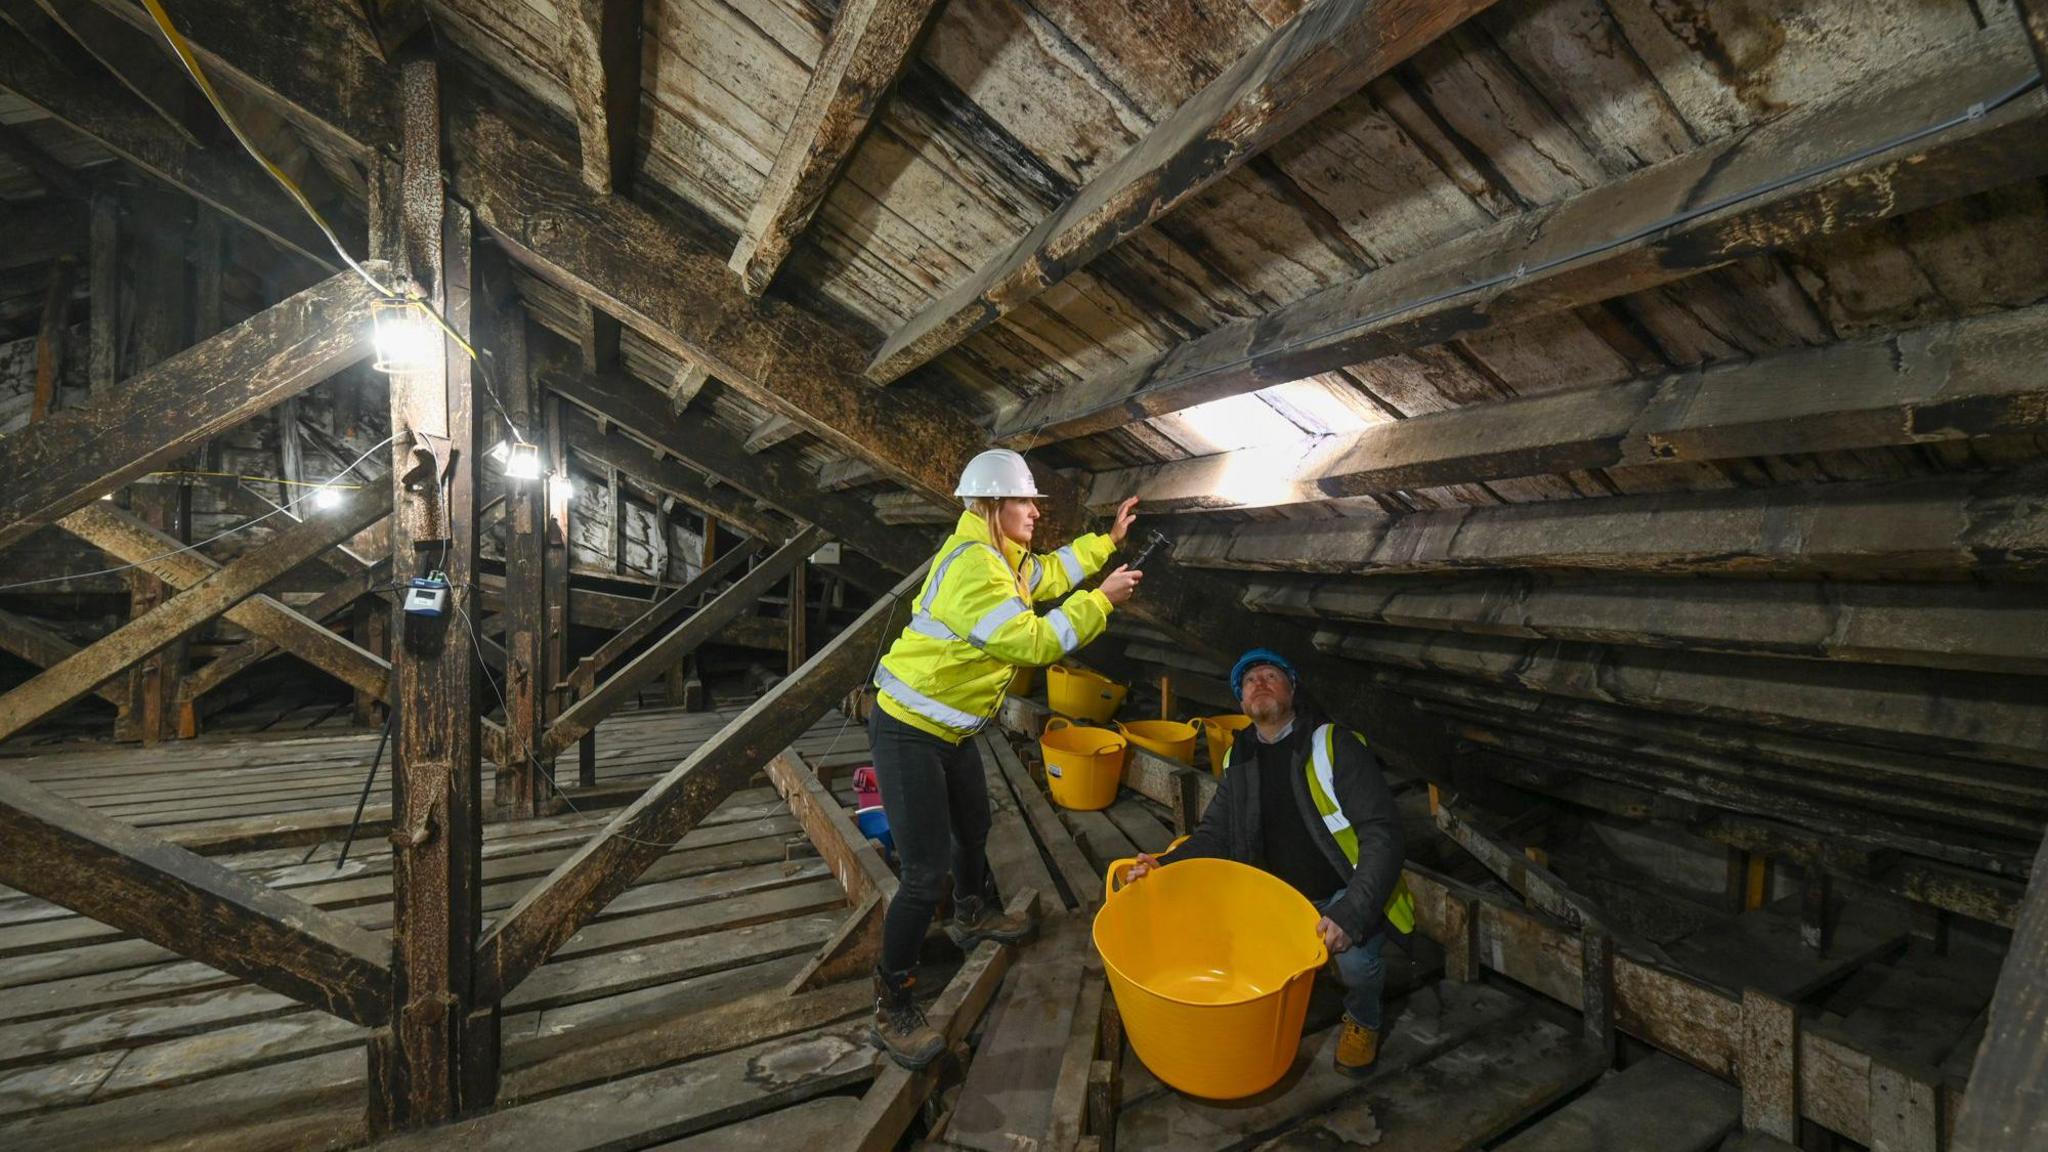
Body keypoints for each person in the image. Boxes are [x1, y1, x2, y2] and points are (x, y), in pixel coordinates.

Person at [867, 448, 1143, 1069]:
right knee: (922, 872)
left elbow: (1048, 573)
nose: (1034, 515)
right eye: (1024, 503)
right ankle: (892, 999)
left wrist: (1107, 542)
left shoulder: (1004, 559)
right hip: (909, 731)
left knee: (975, 827)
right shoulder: (975, 571)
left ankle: (972, 914)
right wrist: (1102, 600)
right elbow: (1037, 641)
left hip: (950, 730)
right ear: (992, 507)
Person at [1118, 648, 1412, 1076]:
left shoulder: (1333, 746)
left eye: (1270, 675)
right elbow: (1215, 834)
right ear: (1242, 704)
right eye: (1249, 681)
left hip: (1341, 891)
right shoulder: (1239, 757)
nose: (1259, 683)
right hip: (1277, 894)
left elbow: (1383, 834)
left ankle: (1363, 1019)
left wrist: (1351, 913)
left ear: (1291, 690)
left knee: (1355, 965)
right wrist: (1165, 864)